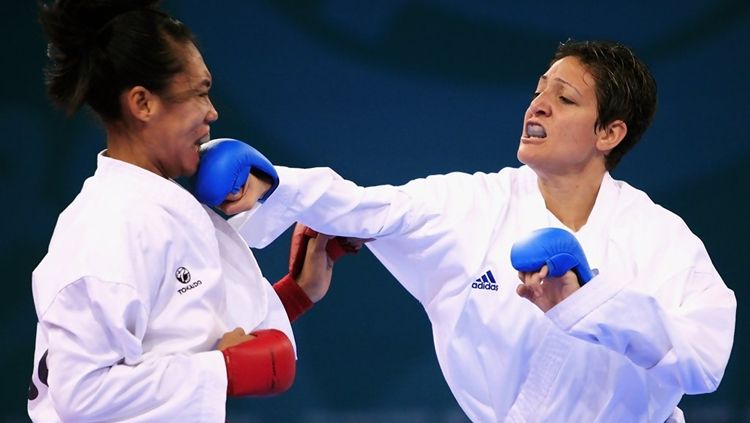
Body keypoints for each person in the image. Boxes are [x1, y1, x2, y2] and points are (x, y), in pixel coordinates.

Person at [210, 40, 737, 422]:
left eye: (565, 98)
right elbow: (374, 207)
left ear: (609, 132)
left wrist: (588, 300)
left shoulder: (664, 240)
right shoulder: (471, 204)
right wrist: (272, 183)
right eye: (538, 92)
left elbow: (703, 362)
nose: (538, 105)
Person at [28, 1, 350, 421]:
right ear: (143, 103)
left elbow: (181, 334)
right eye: (198, 92)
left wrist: (297, 293)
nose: (212, 111)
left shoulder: (157, 205)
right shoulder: (109, 225)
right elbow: (82, 392)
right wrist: (225, 371)